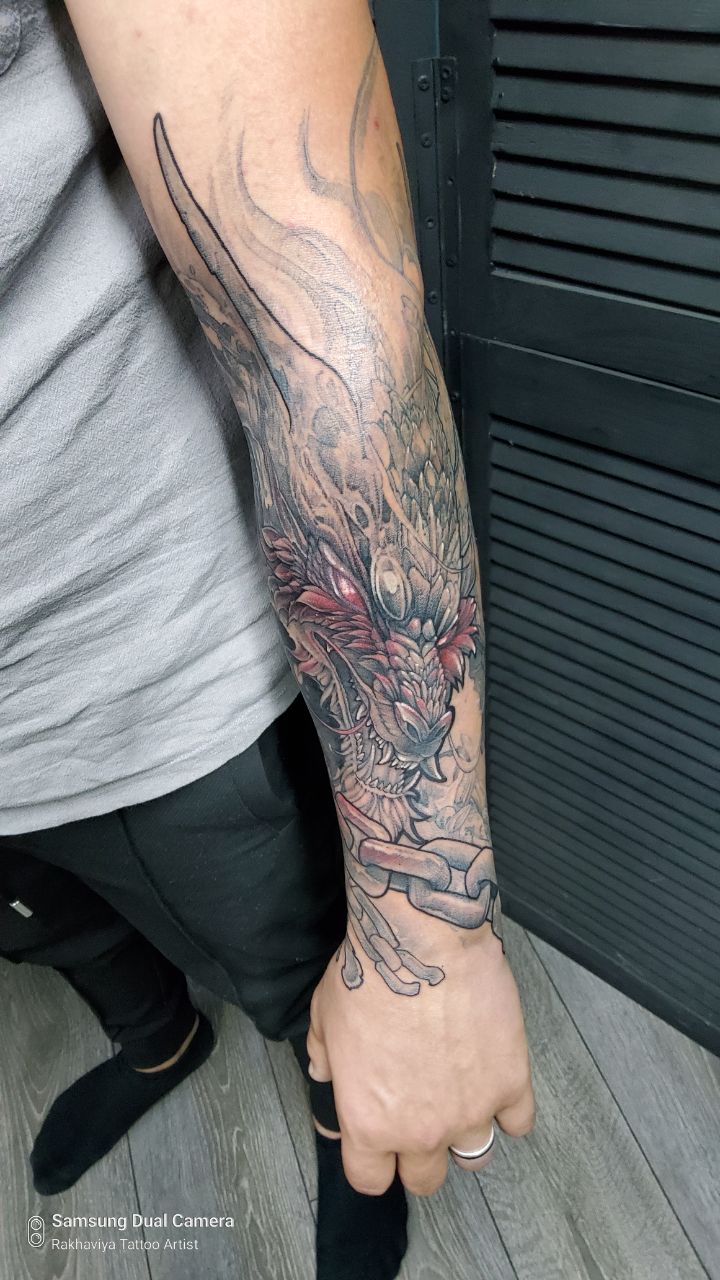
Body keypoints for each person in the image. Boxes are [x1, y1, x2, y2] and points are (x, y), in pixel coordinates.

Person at [0, 2, 535, 1277]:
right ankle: (156, 1042)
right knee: (52, 928)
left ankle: (347, 1134)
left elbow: (332, 342)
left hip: (138, 663)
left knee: (298, 961)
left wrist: (426, 947)